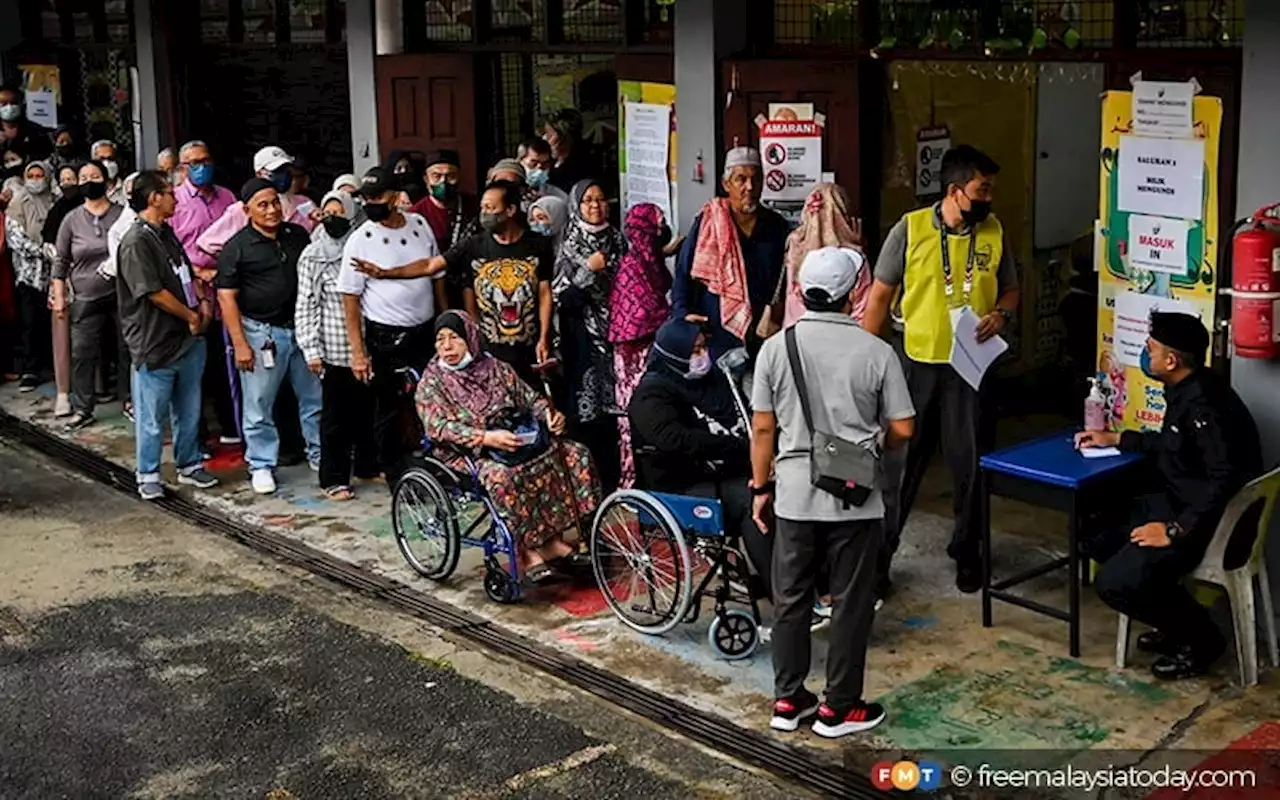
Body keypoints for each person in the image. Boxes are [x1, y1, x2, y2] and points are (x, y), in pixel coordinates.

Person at [750, 247, 915, 738]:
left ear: (800, 292)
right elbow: (904, 427)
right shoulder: (877, 352)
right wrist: (872, 445)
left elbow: (763, 429)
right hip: (855, 496)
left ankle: (787, 700)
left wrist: (761, 488)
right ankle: (838, 707)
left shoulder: (776, 348)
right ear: (854, 295)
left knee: (792, 598)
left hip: (795, 493)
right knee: (850, 601)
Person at [862, 144, 1020, 595]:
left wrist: (1002, 316)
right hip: (916, 366)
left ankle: (968, 551)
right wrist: (865, 366)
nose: (988, 198)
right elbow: (878, 297)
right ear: (955, 191)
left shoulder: (993, 232)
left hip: (970, 369)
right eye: (981, 190)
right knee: (901, 465)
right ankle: (880, 558)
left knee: (970, 463)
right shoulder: (909, 231)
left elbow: (1010, 291)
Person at [1076, 313, 1263, 680]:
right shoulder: (1192, 388)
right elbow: (1174, 445)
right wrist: (1118, 439)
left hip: (1208, 523)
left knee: (1114, 583)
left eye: (1151, 348)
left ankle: (1203, 641)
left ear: (1172, 360)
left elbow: (1224, 479)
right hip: (1182, 503)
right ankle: (1174, 620)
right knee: (1095, 533)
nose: (1146, 353)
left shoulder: (1203, 407)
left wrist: (1175, 530)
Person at [414, 310, 601, 583]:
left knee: (573, 454)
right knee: (507, 477)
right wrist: (485, 437)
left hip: (514, 441)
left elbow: (529, 399)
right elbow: (437, 427)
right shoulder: (432, 382)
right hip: (467, 454)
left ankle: (553, 540)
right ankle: (527, 552)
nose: (446, 346)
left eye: (454, 338)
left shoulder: (495, 368)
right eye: (440, 340)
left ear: (472, 339)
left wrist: (549, 416)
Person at [355, 181, 554, 386]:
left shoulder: (538, 245)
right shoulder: (474, 245)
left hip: (530, 347)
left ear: (510, 210)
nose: (484, 213)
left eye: (490, 208)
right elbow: (430, 265)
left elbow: (545, 293)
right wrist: (386, 273)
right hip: (491, 349)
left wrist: (544, 337)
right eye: (482, 207)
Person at [629, 319, 770, 592]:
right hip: (682, 481)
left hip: (725, 467)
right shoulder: (651, 396)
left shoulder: (712, 381)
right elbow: (676, 440)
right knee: (750, 500)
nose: (702, 356)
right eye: (694, 351)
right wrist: (736, 447)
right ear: (674, 354)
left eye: (704, 348)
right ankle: (784, 591)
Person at [115, 170, 219, 500]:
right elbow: (153, 293)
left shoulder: (167, 234)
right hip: (156, 341)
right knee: (152, 415)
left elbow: (187, 275)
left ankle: (188, 463)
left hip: (189, 339)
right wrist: (189, 314)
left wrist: (201, 304)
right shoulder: (135, 242)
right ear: (153, 198)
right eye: (169, 193)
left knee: (189, 409)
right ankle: (148, 473)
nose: (175, 198)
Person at [215, 177, 321, 494]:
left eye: (275, 202)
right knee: (259, 403)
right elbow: (226, 297)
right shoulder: (237, 247)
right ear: (247, 210)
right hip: (261, 333)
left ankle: (320, 454)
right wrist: (240, 344)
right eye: (263, 204)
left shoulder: (297, 235)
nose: (272, 210)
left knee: (314, 398)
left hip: (302, 330)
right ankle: (261, 463)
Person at [339, 166, 445, 483]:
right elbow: (350, 298)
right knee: (387, 405)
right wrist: (358, 352)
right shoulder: (360, 239)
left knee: (431, 398)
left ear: (396, 197)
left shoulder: (419, 225)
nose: (371, 203)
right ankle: (390, 468)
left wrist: (445, 322)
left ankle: (434, 462)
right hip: (385, 334)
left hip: (424, 330)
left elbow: (436, 276)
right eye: (366, 198)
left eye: (378, 197)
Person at [296, 189, 377, 500]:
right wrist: (311, 349)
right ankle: (333, 477)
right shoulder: (313, 255)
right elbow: (306, 304)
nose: (333, 219)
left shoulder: (365, 247)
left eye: (339, 213)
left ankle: (368, 466)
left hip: (370, 345)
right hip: (334, 348)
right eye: (327, 213)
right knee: (335, 418)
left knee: (368, 411)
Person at [673, 147, 788, 359]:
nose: (749, 187)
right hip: (715, 334)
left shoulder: (776, 226)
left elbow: (787, 278)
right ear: (726, 184)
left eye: (755, 180)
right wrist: (683, 316)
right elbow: (683, 273)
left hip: (764, 335)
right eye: (740, 180)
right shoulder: (708, 222)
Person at [555, 178, 624, 490]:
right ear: (576, 206)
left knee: (616, 413)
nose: (595, 206)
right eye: (588, 201)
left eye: (600, 199)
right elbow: (562, 299)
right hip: (583, 340)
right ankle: (588, 486)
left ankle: (615, 482)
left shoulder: (618, 240)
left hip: (619, 339)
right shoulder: (568, 245)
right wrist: (588, 273)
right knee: (587, 414)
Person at [173, 139, 241, 446]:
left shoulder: (227, 197)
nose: (203, 167)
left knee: (223, 362)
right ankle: (196, 436)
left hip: (227, 292)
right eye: (195, 163)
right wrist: (198, 272)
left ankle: (230, 425)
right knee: (193, 368)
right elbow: (171, 250)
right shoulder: (174, 202)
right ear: (183, 168)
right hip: (193, 293)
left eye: (206, 160)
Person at [52, 160, 127, 430]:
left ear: (106, 182)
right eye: (83, 177)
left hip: (122, 292)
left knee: (127, 347)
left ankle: (130, 400)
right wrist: (60, 296)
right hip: (85, 295)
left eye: (94, 176)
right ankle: (83, 407)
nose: (88, 181)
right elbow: (60, 261)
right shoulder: (71, 219)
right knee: (82, 351)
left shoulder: (123, 214)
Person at [608, 202, 671, 488]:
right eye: (657, 225)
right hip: (633, 352)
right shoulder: (632, 266)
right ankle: (632, 479)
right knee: (634, 415)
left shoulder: (650, 262)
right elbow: (640, 314)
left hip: (650, 349)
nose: (662, 231)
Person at [767, 183, 868, 334]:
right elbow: (862, 309)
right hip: (842, 337)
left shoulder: (795, 246)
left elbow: (791, 296)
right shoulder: (854, 257)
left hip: (796, 334)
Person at [196, 145, 317, 267]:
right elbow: (208, 244)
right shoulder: (242, 210)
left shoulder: (305, 204)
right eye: (276, 171)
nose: (283, 174)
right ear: (259, 174)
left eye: (286, 169)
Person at [5, 161, 55, 391]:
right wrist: (42, 250)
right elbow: (15, 238)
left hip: (54, 273)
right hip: (28, 274)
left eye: (40, 175)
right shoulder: (17, 203)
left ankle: (52, 364)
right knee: (30, 321)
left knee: (51, 321)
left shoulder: (55, 200)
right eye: (31, 175)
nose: (35, 179)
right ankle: (30, 370)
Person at [42, 163, 81, 417]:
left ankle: (95, 389)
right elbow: (47, 244)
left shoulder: (89, 211)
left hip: (91, 281)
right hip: (63, 282)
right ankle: (64, 393)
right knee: (62, 338)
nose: (68, 183)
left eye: (72, 178)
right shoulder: (57, 212)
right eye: (63, 179)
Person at [0, 85, 53, 183]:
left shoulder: (35, 131)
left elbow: (46, 158)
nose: (9, 107)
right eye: (4, 104)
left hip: (30, 183)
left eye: (13, 103)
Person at [540, 111, 591, 192]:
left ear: (565, 137)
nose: (545, 138)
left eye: (550, 135)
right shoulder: (548, 161)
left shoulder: (581, 164)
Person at [519, 138, 569, 203]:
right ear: (521, 161)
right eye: (534, 163)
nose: (539, 169)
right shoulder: (509, 192)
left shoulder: (558, 197)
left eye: (545, 164)